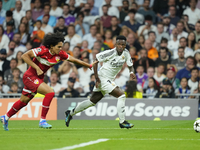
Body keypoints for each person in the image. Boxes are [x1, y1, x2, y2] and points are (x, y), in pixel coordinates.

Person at [0, 32, 96, 131]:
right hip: (30, 76)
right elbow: (24, 56)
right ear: (51, 46)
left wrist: (88, 65)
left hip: (38, 79)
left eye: (61, 47)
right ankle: (42, 120)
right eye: (58, 47)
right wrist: (36, 67)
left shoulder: (60, 54)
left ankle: (5, 117)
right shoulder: (42, 50)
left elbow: (73, 59)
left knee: (23, 101)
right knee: (50, 92)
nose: (60, 49)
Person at [64, 35, 135, 129]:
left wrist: (131, 72)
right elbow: (95, 61)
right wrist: (96, 78)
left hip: (108, 79)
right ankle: (122, 122)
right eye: (119, 44)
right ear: (116, 44)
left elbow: (130, 64)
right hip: (103, 78)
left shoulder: (126, 53)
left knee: (92, 101)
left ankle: (71, 112)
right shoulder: (109, 53)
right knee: (121, 95)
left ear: (125, 45)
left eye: (123, 44)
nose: (121, 46)